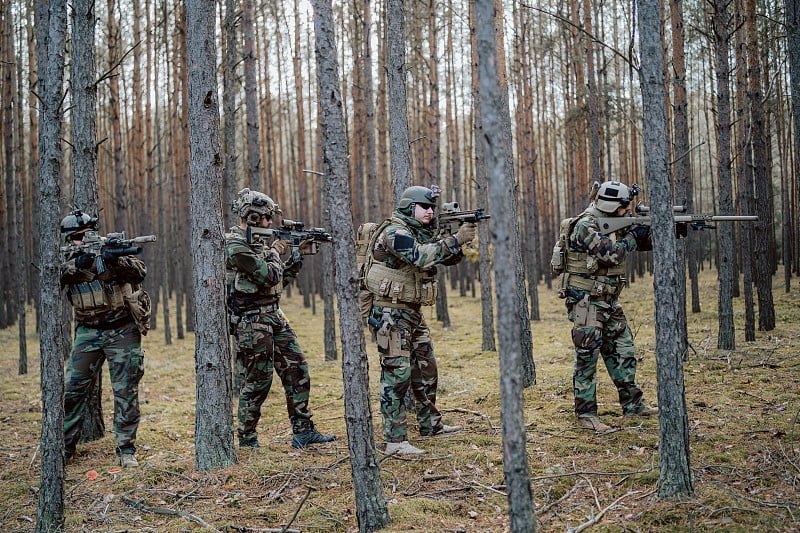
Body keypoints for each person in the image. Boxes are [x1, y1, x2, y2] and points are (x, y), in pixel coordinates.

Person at [363, 185, 477, 455]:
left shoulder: (419, 233)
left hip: (411, 312)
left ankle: (430, 425)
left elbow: (449, 260)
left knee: (427, 369)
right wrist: (456, 238)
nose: (429, 211)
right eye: (424, 206)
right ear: (408, 206)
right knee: (397, 373)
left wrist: (456, 240)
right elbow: (419, 256)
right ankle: (395, 440)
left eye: (432, 208)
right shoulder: (395, 231)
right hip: (389, 313)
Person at [225, 188, 335, 449]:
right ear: (252, 217)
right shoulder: (236, 246)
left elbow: (280, 281)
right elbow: (268, 276)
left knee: (297, 370)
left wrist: (297, 253)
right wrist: (276, 251)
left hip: (273, 314)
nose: (270, 223)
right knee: (259, 382)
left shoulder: (259, 243)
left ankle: (303, 431)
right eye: (266, 218)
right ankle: (247, 439)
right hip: (250, 320)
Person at [557, 181, 657, 434]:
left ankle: (633, 405)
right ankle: (586, 414)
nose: (627, 211)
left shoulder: (613, 222)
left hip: (609, 300)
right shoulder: (586, 224)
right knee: (587, 358)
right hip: (587, 301)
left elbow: (635, 243)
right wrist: (634, 236)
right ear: (613, 205)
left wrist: (655, 232)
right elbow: (611, 254)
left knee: (624, 351)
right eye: (625, 207)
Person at [60, 210, 150, 468]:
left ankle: (126, 448)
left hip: (121, 329)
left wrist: (113, 262)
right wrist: (78, 265)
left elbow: (139, 271)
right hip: (87, 331)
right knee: (72, 390)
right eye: (76, 237)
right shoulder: (67, 258)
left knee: (125, 391)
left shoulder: (109, 249)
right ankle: (65, 447)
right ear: (69, 239)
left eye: (85, 234)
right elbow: (53, 276)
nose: (82, 239)